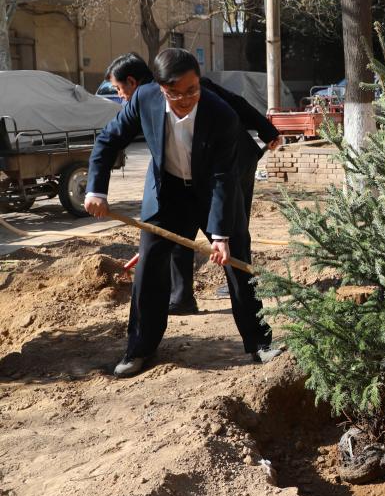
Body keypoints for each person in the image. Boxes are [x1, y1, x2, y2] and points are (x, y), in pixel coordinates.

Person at [85, 49, 279, 377]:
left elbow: (222, 178)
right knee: (149, 268)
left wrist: (220, 235)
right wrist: (96, 191)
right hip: (167, 192)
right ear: (160, 87)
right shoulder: (143, 99)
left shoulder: (221, 115)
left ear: (198, 81)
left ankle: (259, 343)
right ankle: (139, 348)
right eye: (175, 93)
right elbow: (109, 140)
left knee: (237, 264)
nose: (186, 99)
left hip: (211, 191)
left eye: (192, 90)